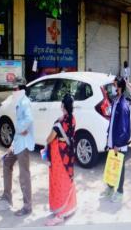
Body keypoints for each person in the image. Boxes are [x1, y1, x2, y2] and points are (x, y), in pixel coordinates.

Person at [0, 78, 34, 216]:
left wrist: (23, 128)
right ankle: (7, 196)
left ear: (21, 89)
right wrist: (12, 144)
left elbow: (29, 119)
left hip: (23, 144)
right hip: (17, 142)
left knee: (24, 175)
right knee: (7, 162)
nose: (13, 90)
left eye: (15, 88)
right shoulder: (19, 102)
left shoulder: (24, 102)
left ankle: (27, 206)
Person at [45, 94, 77, 226]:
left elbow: (49, 139)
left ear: (63, 106)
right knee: (67, 179)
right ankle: (70, 206)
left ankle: (60, 214)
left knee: (59, 181)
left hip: (59, 156)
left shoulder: (59, 124)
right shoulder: (73, 119)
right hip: (68, 154)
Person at [101, 77, 131, 202]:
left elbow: (123, 128)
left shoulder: (123, 105)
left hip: (119, 144)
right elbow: (112, 121)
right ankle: (110, 187)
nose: (113, 88)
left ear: (120, 88)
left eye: (115, 86)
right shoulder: (115, 102)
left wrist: (118, 144)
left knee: (120, 167)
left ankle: (120, 192)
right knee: (112, 166)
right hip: (113, 142)